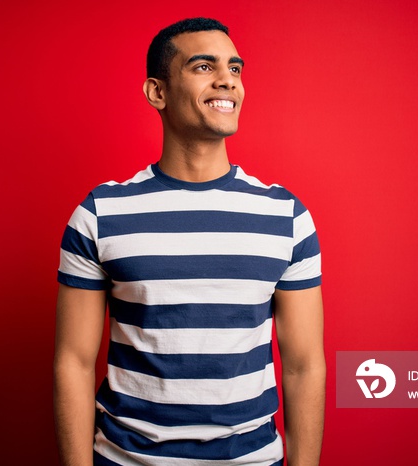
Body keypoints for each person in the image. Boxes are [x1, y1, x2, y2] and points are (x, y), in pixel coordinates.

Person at [54, 17, 325, 466]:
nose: (227, 81)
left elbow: (304, 366)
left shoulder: (286, 216)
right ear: (157, 92)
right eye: (203, 66)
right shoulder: (100, 214)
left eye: (235, 69)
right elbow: (73, 364)